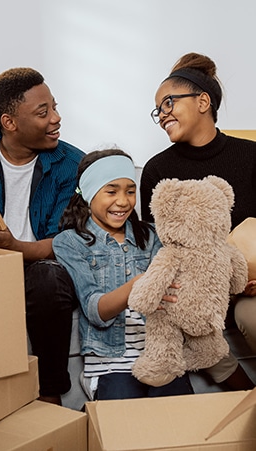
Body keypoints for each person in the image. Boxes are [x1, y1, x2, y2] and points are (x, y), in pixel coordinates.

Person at [0, 67, 85, 404]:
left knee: (48, 278)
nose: (56, 119)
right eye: (43, 112)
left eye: (55, 107)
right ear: (9, 122)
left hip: (43, 266)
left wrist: (13, 247)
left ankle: (51, 392)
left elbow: (65, 245)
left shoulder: (71, 164)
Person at [140, 52, 256, 390]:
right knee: (181, 318)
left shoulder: (250, 157)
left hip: (247, 283)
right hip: (194, 287)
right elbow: (153, 242)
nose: (162, 115)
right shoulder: (157, 171)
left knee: (251, 316)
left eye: (169, 103)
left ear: (203, 101)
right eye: (158, 110)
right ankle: (242, 392)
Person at [52, 148, 194, 400]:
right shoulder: (69, 243)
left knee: (180, 418)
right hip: (110, 364)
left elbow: (174, 296)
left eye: (130, 191)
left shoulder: (152, 236)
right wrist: (138, 285)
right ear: (89, 194)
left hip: (158, 355)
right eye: (111, 191)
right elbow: (96, 311)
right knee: (124, 424)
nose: (123, 201)